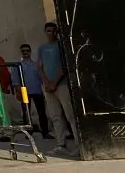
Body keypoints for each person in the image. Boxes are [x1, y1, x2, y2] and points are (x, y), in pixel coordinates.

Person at [37, 22, 79, 155]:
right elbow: (39, 67)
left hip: (61, 84)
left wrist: (54, 83)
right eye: (48, 30)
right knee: (55, 116)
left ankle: (79, 144)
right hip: (47, 86)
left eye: (53, 30)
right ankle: (61, 143)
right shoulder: (42, 48)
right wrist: (46, 82)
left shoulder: (62, 46)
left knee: (70, 115)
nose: (51, 33)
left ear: (57, 32)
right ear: (45, 32)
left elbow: (63, 66)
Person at [18, 43, 51, 138]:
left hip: (37, 90)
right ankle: (28, 133)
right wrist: (17, 91)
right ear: (21, 52)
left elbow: (41, 77)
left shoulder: (36, 64)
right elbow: (15, 79)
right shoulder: (19, 65)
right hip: (24, 91)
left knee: (42, 112)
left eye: (27, 51)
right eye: (23, 51)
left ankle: (45, 132)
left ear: (30, 52)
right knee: (26, 113)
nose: (25, 52)